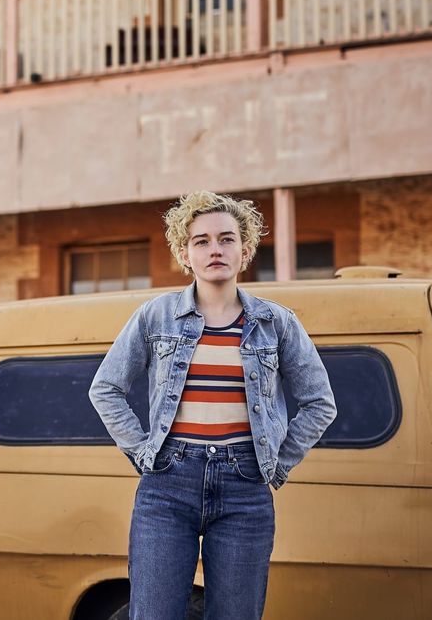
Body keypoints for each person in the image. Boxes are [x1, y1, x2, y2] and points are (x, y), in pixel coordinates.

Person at [89, 191, 336, 620]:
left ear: (245, 249)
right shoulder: (155, 316)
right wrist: (143, 451)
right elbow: (105, 388)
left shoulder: (276, 322)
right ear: (185, 254)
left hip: (245, 487)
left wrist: (275, 465)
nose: (215, 249)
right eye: (201, 241)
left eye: (226, 238)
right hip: (167, 485)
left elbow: (320, 403)